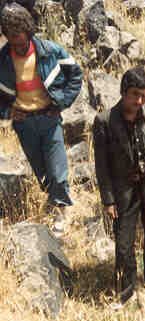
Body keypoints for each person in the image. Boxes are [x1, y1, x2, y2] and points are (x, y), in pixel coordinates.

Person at [93, 67, 145, 307]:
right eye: (135, 94)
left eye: (144, 96)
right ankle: (125, 290)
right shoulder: (104, 121)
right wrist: (108, 200)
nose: (139, 101)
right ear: (123, 91)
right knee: (124, 242)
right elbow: (102, 166)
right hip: (124, 189)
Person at [0, 2, 82, 233]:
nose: (18, 46)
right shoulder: (2, 61)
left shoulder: (50, 51)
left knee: (57, 170)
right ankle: (52, 200)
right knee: (42, 172)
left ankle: (61, 211)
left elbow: (75, 75)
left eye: (20, 40)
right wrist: (7, 113)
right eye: (12, 41)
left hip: (49, 118)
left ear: (29, 31)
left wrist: (61, 103)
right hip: (23, 123)